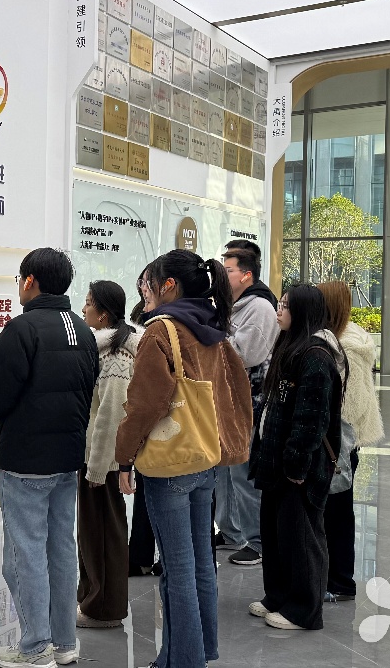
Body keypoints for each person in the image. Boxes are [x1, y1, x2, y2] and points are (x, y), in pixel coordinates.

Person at [115, 250, 251, 668]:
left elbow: (145, 405)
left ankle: (183, 660)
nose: (145, 290)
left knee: (176, 570)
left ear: (168, 285)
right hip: (205, 457)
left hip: (170, 462)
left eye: (148, 282)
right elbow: (232, 391)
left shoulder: (162, 331)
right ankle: (197, 651)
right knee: (201, 564)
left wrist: (124, 459)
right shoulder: (212, 326)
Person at [0, 248, 97, 668]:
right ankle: (64, 643)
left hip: (26, 460)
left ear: (29, 281)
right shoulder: (82, 329)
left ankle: (34, 648)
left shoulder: (21, 329)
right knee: (61, 549)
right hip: (68, 458)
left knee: (24, 554)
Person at [248, 285, 346, 631]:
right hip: (275, 460)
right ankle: (278, 596)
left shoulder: (316, 357)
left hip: (298, 466)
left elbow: (311, 419)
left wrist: (296, 464)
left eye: (286, 306)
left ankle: (304, 610)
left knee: (301, 537)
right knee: (276, 534)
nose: (278, 310)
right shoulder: (290, 346)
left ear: (303, 312)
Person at [76, 281, 142, 629]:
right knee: (94, 532)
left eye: (89, 303)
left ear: (103, 314)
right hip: (97, 458)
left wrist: (98, 469)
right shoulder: (103, 349)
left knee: (103, 534)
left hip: (103, 461)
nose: (83, 309)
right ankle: (92, 599)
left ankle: (103, 608)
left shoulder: (116, 357)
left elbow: (111, 418)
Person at [317, 281, 384, 602]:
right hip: (339, 438)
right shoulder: (342, 338)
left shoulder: (346, 346)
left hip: (339, 440)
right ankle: (330, 577)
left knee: (337, 511)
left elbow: (350, 402)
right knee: (333, 510)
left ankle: (341, 581)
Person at [216, 246, 280, 567]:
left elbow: (248, 354)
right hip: (227, 400)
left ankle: (257, 541)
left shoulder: (260, 307)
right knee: (225, 472)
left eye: (228, 270)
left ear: (246, 275)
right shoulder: (232, 305)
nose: (223, 275)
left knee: (243, 473)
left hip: (250, 401)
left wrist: (214, 338)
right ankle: (231, 532)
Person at [126, 290, 159, 578]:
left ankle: (144, 556)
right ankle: (141, 556)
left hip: (166, 428)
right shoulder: (146, 315)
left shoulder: (163, 327)